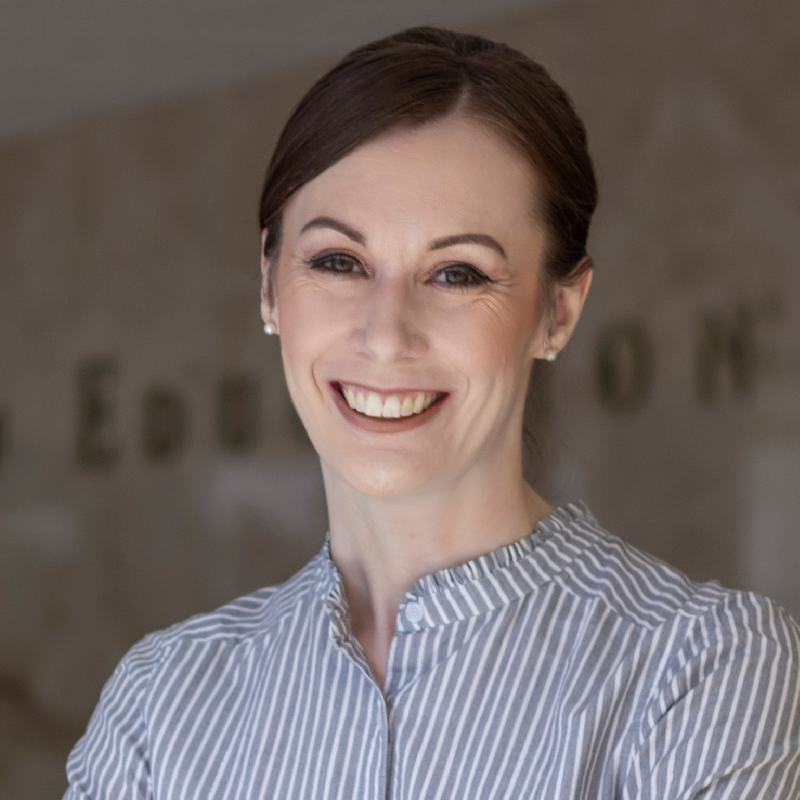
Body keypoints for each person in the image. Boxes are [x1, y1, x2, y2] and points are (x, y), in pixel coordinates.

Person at [64, 27, 800, 799]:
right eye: (337, 261)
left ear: (559, 309)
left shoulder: (701, 667)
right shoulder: (161, 702)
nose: (386, 335)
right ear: (269, 287)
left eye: (456, 273)